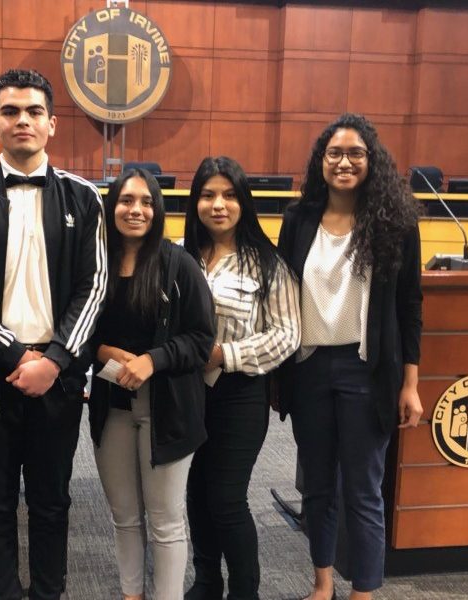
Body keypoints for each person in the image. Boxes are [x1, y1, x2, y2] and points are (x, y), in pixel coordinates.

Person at [0, 69, 107, 600]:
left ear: (52, 123)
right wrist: (15, 355)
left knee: (52, 501)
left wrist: (52, 360)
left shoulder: (84, 196)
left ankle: (49, 594)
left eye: (34, 111)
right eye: (10, 111)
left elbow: (94, 286)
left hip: (58, 377)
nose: (23, 120)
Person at [275, 113, 423, 600]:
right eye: (334, 153)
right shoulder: (298, 220)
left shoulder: (396, 224)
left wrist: (410, 384)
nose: (344, 162)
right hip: (309, 369)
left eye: (355, 153)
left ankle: (364, 592)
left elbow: (410, 307)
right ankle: (322, 584)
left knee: (362, 490)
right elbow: (280, 296)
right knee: (318, 488)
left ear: (371, 160)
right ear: (321, 161)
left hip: (368, 372)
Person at [89, 168, 215, 600]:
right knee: (124, 516)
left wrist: (153, 360)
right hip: (112, 407)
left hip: (168, 409)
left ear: (158, 209)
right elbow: (76, 333)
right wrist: (102, 351)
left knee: (165, 520)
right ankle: (132, 595)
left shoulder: (178, 264)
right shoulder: (96, 264)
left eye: (146, 202)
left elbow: (202, 339)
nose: (136, 210)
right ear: (112, 207)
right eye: (126, 200)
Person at [181, 156, 300, 600]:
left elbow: (287, 334)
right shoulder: (179, 257)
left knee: (227, 498)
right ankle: (207, 581)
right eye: (208, 195)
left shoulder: (267, 263)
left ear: (243, 202)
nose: (218, 205)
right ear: (195, 202)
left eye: (229, 195)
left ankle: (245, 591)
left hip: (239, 393)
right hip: (186, 394)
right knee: (196, 492)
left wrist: (223, 355)